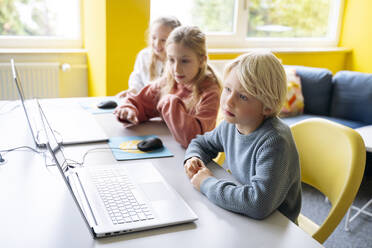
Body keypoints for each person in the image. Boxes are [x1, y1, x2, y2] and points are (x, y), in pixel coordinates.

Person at [183, 51, 302, 223]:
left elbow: (258, 203)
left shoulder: (275, 142)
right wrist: (193, 157)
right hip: (242, 215)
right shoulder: (230, 124)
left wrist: (207, 183)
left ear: (267, 107)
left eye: (243, 96)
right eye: (228, 89)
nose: (228, 101)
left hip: (275, 226)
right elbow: (201, 143)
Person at [114, 26, 221, 148]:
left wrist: (169, 101)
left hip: (196, 160)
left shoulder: (210, 92)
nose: (176, 69)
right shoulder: (169, 81)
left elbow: (193, 138)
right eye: (171, 60)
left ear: (202, 61)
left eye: (184, 61)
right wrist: (129, 110)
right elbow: (139, 102)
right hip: (171, 149)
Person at [116, 16, 181, 98]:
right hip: (147, 103)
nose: (157, 44)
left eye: (163, 40)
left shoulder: (178, 61)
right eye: (154, 38)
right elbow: (137, 78)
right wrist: (133, 90)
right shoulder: (144, 56)